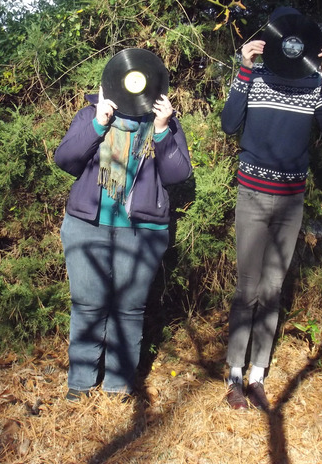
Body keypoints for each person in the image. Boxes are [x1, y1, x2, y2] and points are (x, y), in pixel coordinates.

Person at [221, 7, 322, 410]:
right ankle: (234, 377)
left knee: (272, 290)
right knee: (247, 289)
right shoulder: (253, 78)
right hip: (252, 195)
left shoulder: (314, 85)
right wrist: (243, 67)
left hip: (291, 201)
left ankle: (258, 375)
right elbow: (228, 123)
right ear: (274, 40)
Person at [54, 60, 192, 401]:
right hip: (87, 226)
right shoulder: (89, 115)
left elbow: (177, 174)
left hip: (142, 231)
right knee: (87, 305)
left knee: (128, 310)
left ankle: (118, 385)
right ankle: (81, 383)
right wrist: (99, 122)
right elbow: (66, 160)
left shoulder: (167, 124)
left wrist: (161, 129)